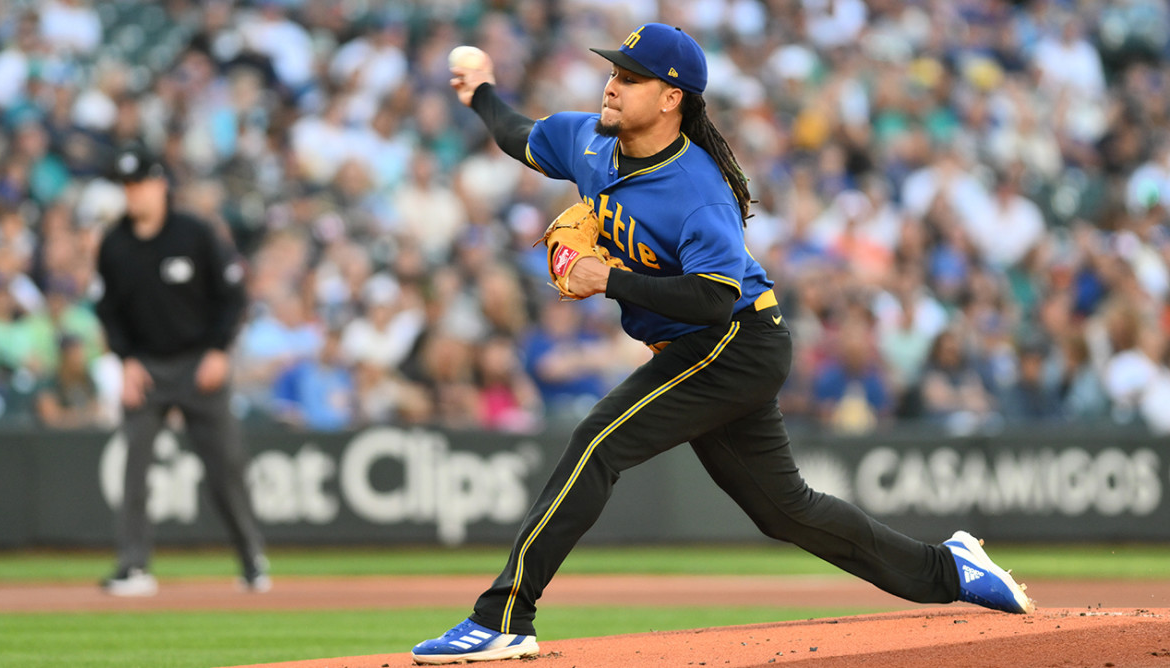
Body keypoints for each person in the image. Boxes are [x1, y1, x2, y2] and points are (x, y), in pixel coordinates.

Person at [411, 24, 1033, 665]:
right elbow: (520, 136)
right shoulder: (590, 142)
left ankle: (504, 616)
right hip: (703, 347)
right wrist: (481, 92)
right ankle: (951, 570)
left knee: (595, 443)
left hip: (732, 341)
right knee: (785, 512)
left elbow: (713, 297)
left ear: (671, 97)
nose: (612, 84)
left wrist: (609, 277)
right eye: (614, 71)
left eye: (630, 76)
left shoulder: (697, 190)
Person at [94, 142, 268, 596]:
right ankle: (133, 566)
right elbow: (109, 311)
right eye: (126, 185)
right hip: (147, 367)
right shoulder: (114, 245)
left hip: (199, 364)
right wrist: (126, 359)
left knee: (224, 469)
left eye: (140, 183)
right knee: (134, 467)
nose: (133, 194)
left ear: (160, 183)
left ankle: (252, 559)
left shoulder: (194, 232)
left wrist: (218, 350)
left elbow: (232, 296)